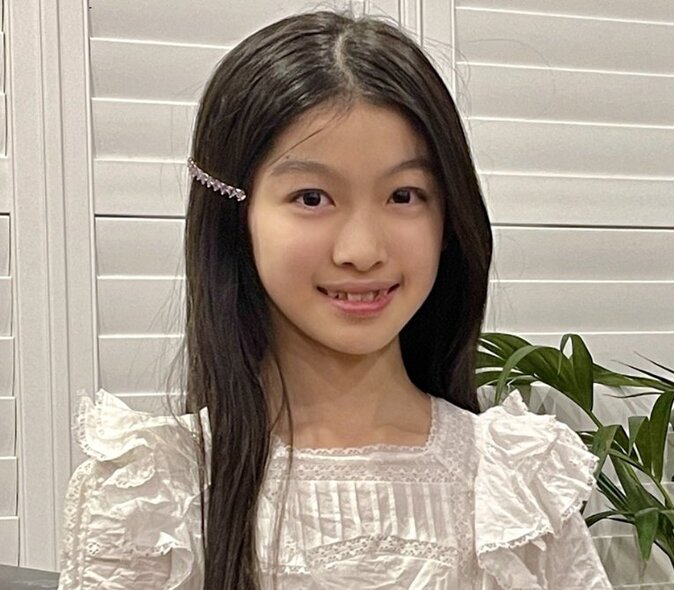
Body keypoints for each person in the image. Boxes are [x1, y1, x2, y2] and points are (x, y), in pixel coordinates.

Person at [57, 10, 612, 590]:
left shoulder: (514, 482)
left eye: (404, 195)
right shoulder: (155, 496)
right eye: (313, 197)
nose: (363, 250)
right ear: (234, 216)